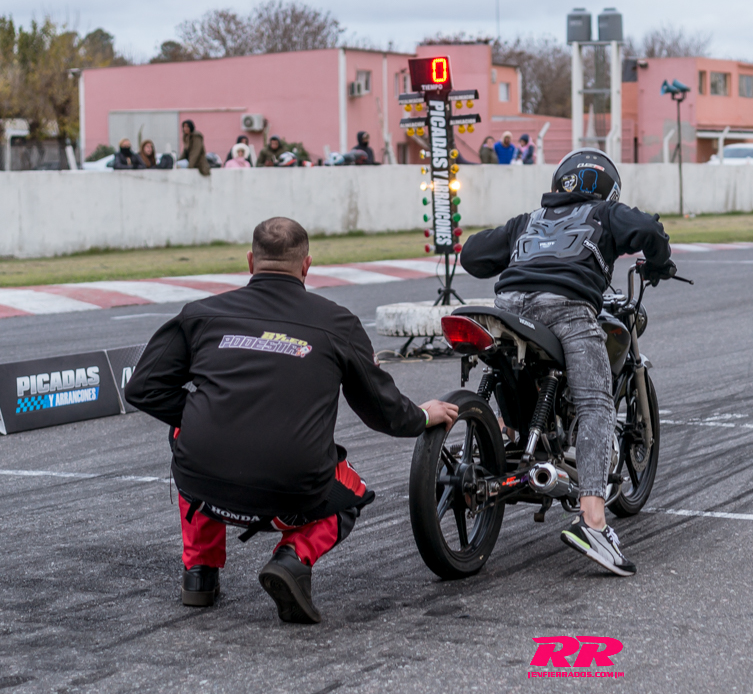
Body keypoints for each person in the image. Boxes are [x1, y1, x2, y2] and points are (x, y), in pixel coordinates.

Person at [125, 217, 459, 624]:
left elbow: (142, 387)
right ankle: (292, 557)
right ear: (306, 265)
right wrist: (423, 416)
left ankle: (199, 573)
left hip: (204, 489)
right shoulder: (338, 323)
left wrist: (204, 414)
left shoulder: (200, 313)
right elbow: (382, 411)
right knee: (353, 490)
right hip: (291, 497)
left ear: (251, 262)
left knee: (185, 431)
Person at [459, 148, 676, 577]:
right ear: (609, 190)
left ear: (560, 182)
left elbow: (472, 255)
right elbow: (649, 228)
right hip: (567, 307)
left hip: (508, 308)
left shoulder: (529, 220)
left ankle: (508, 432)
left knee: (505, 364)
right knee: (596, 404)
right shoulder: (605, 214)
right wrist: (659, 260)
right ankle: (593, 522)